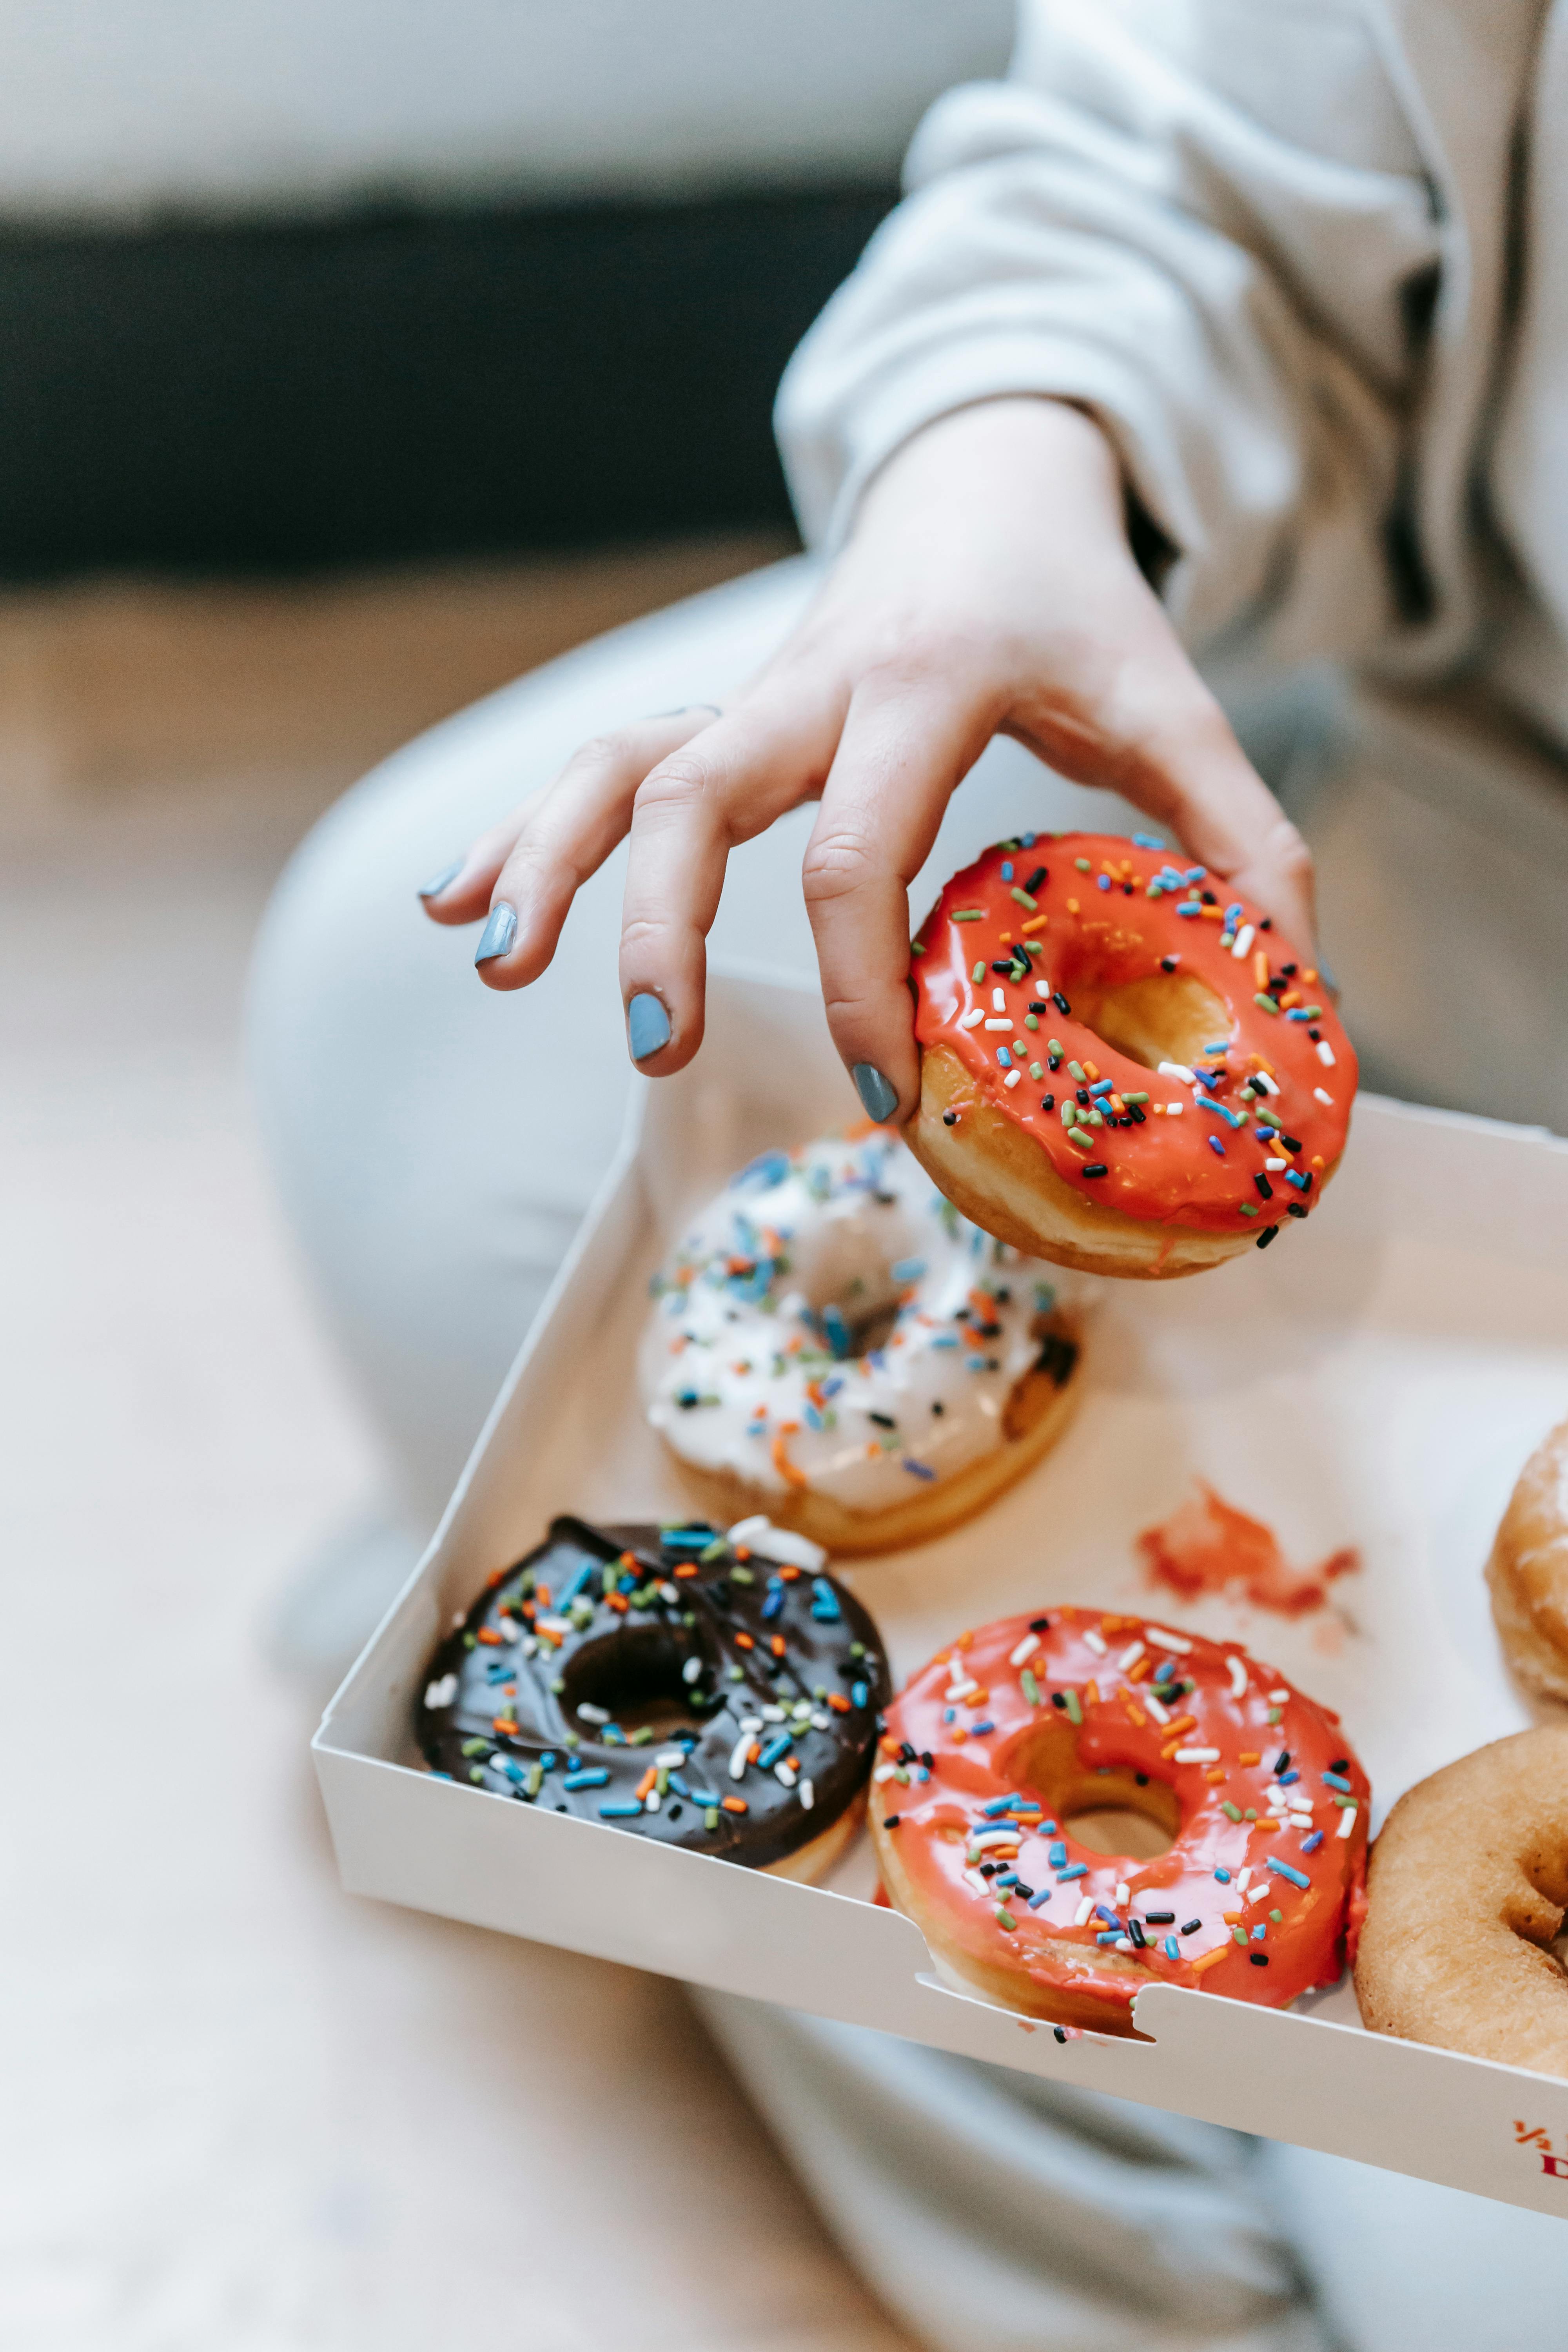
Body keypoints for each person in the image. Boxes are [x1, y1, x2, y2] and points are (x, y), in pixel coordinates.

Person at [251, 5, 1568, 2344]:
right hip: (1411, 846)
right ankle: (1083, 2147)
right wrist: (999, 481)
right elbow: (1188, 168)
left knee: (1465, 2252)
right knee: (410, 995)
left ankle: (1102, 2163)